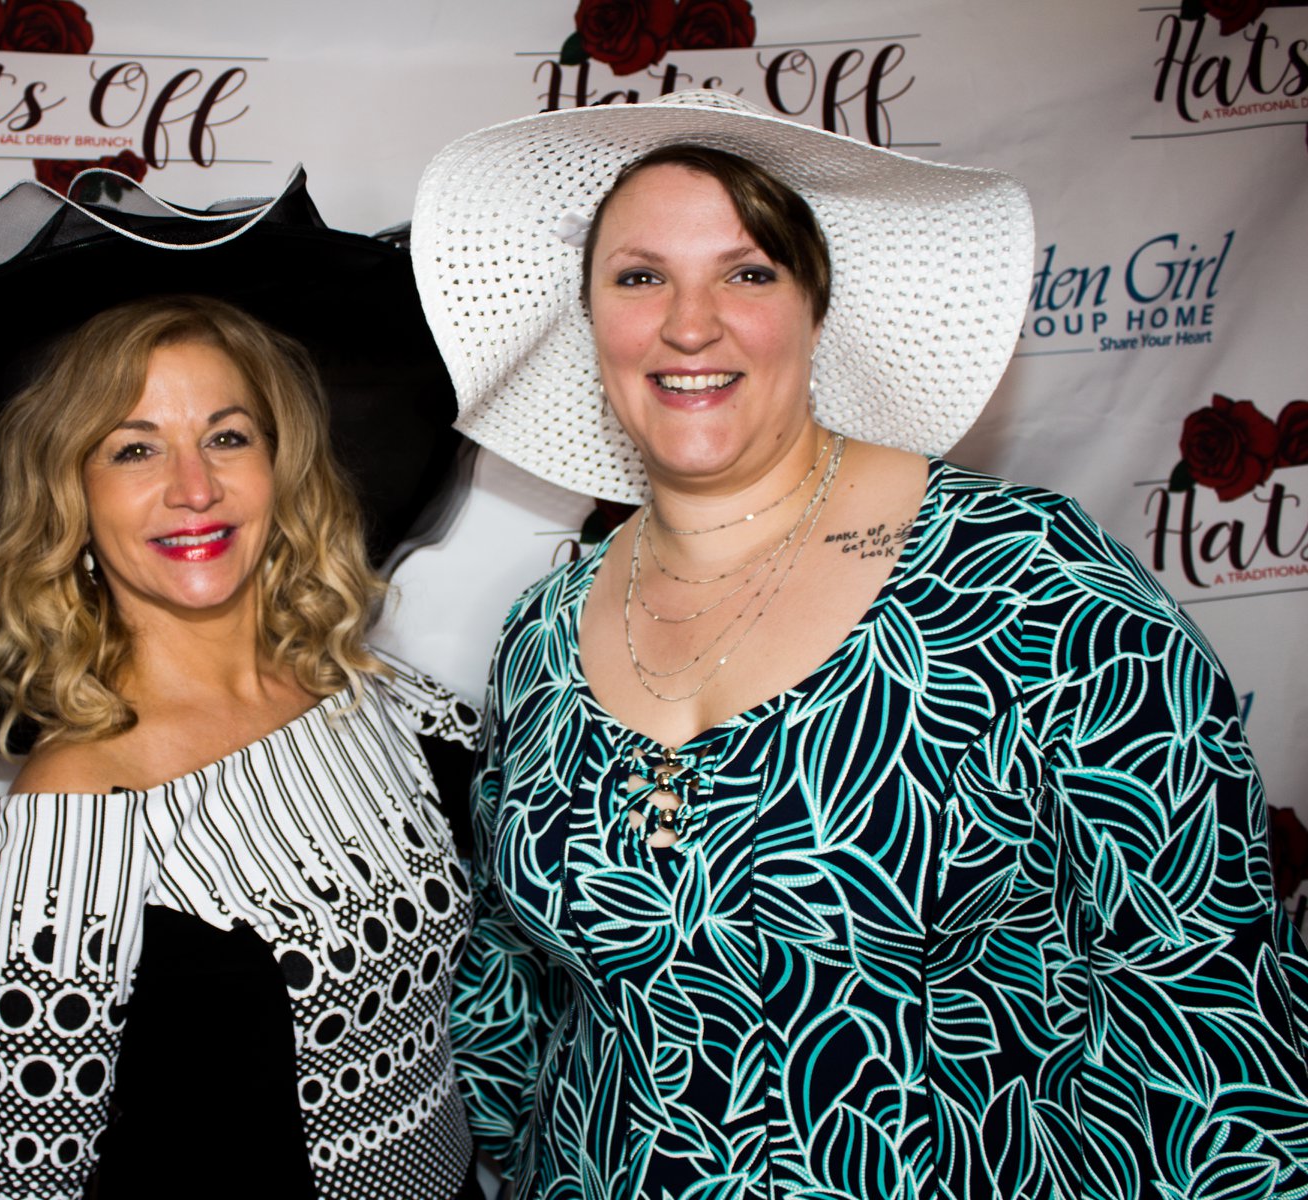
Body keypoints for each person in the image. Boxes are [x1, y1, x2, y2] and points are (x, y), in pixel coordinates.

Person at [411, 90, 1308, 1197]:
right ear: (589, 317)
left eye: (748, 274)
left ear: (816, 305)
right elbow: (512, 994)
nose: (690, 324)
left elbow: (1207, 1016)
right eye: (640, 277)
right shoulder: (544, 635)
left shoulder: (1029, 584)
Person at [0, 295, 482, 1200]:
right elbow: (29, 1181)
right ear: (73, 499)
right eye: (135, 449)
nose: (194, 487)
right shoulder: (74, 811)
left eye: (228, 437)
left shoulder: (389, 702)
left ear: (281, 468)